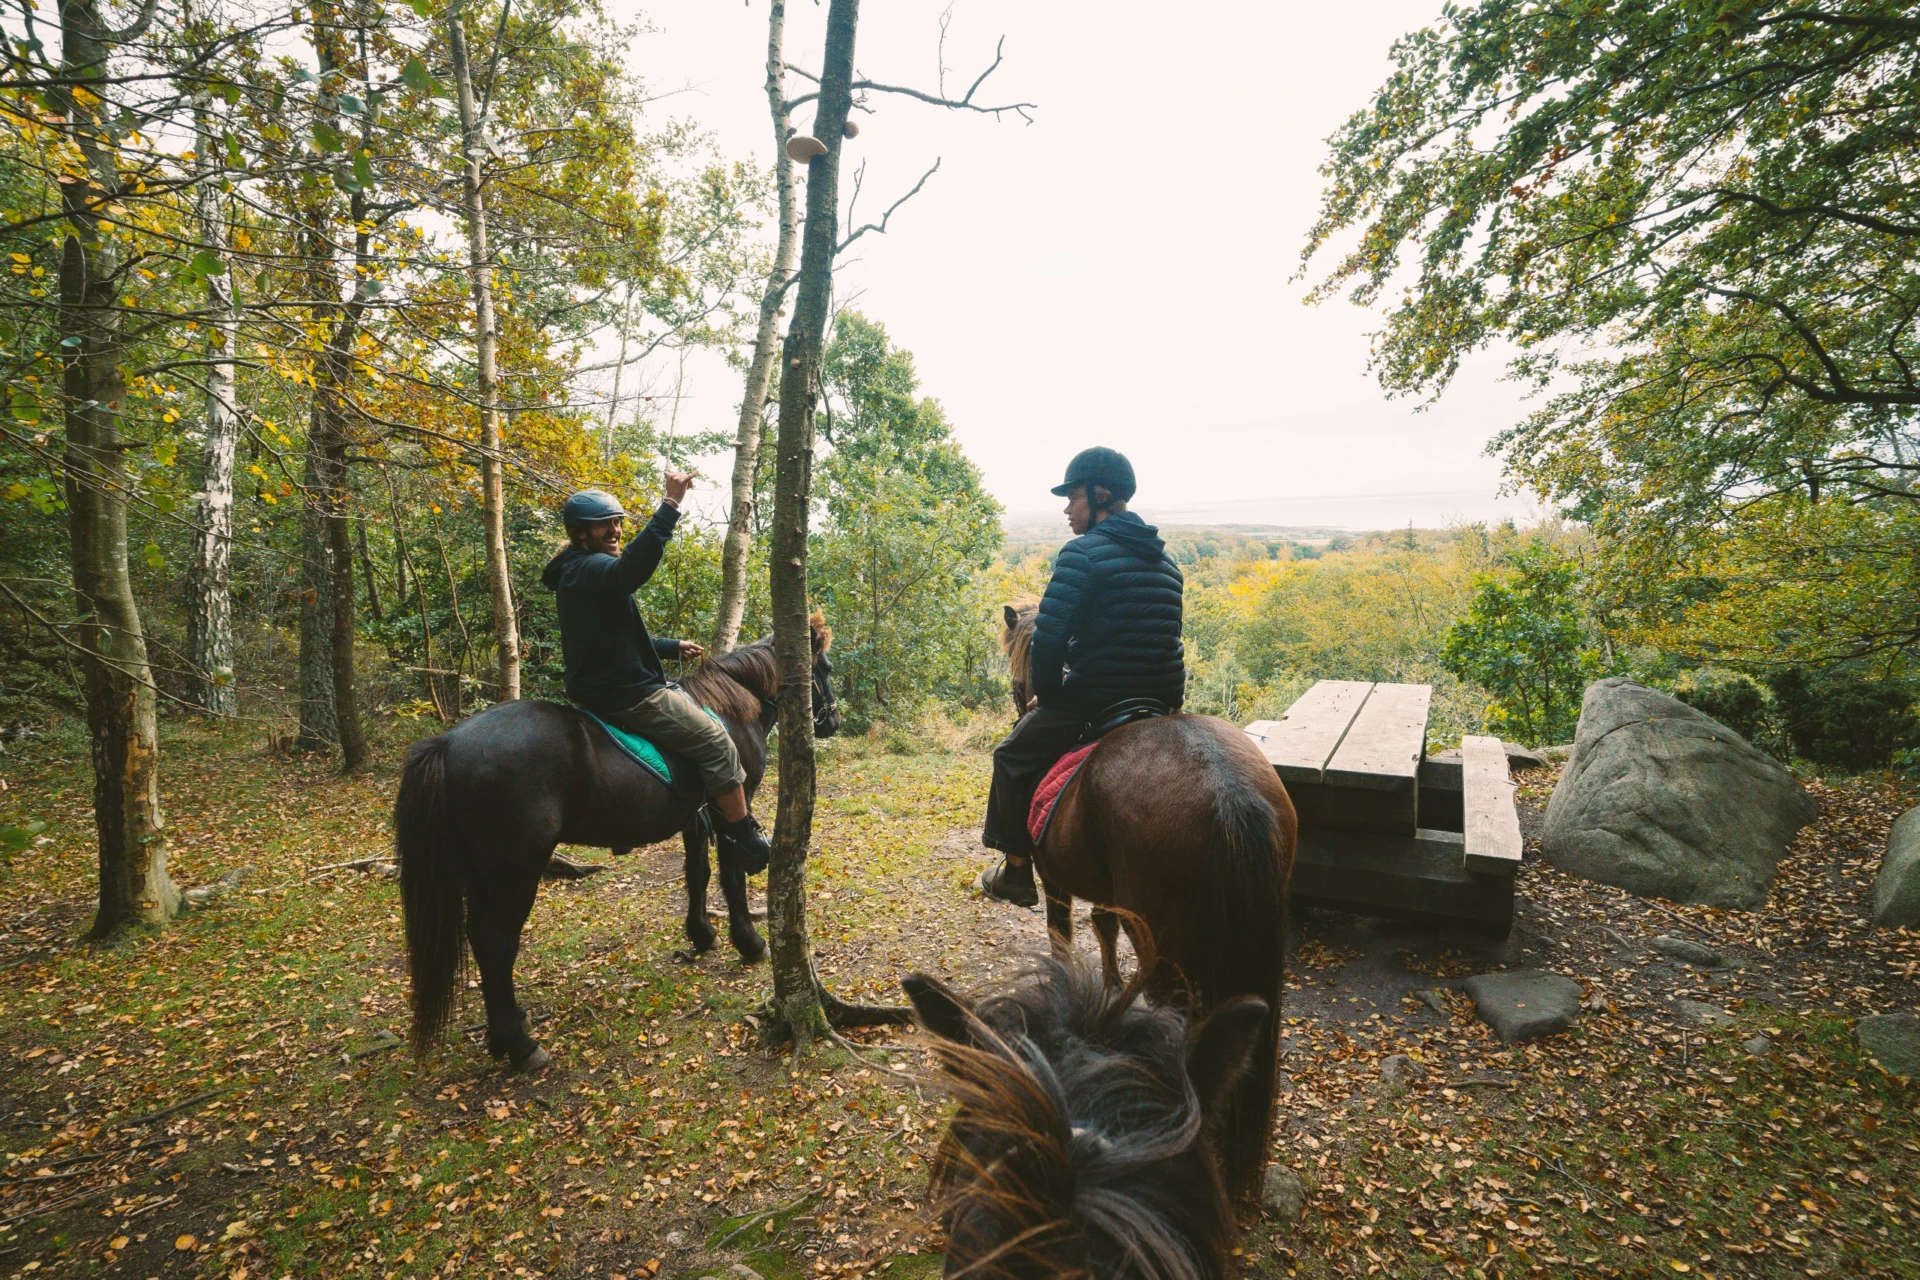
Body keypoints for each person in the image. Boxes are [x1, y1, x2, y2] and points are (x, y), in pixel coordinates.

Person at [978, 447, 1186, 906]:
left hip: (1095, 698)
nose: (1067, 508)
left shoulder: (1081, 554)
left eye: (1073, 497)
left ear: (1101, 495)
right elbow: (1171, 642)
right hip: (1160, 701)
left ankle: (1015, 871)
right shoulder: (1168, 565)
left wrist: (1049, 697)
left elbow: (1049, 642)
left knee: (1010, 756)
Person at [541, 470, 774, 871]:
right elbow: (630, 571)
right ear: (581, 533)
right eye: (604, 525)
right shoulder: (589, 568)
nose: (615, 530)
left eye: (617, 522)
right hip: (629, 694)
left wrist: (668, 647)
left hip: (605, 686)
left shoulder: (577, 572)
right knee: (717, 741)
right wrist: (670, 504)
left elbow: (609, 642)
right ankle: (741, 834)